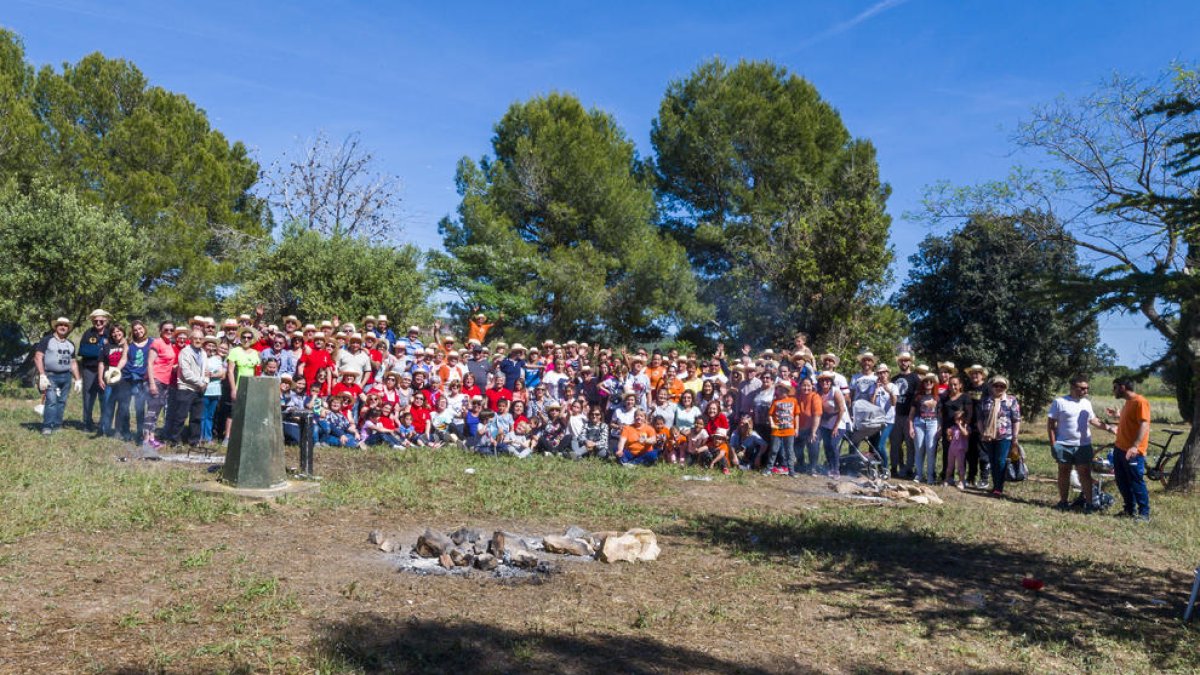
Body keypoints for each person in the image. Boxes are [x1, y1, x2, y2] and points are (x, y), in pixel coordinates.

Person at [1047, 376, 1107, 511]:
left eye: (1087, 388)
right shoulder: (1059, 402)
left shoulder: (1086, 403)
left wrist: (1108, 427)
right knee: (1064, 472)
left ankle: (1090, 504)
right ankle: (1063, 502)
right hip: (1063, 444)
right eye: (1082, 388)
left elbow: (1093, 420)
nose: (1085, 391)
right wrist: (1053, 444)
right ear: (1073, 387)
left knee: (1085, 474)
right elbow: (1051, 425)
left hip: (1083, 445)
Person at [1102, 378, 1152, 521]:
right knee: (1122, 481)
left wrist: (1135, 446)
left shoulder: (1140, 402)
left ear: (1122, 387)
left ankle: (1144, 514)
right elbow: (1130, 421)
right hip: (1119, 449)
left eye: (1115, 388)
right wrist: (1117, 415)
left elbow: (1144, 424)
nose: (1114, 391)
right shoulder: (1128, 403)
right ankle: (1129, 510)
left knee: (1136, 482)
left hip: (1133, 452)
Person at [34, 317, 82, 435]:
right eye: (60, 324)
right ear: (56, 327)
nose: (63, 327)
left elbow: (73, 362)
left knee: (62, 401)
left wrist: (78, 379)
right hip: (50, 375)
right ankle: (47, 426)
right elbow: (38, 356)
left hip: (66, 376)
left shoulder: (70, 344)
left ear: (68, 328)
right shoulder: (47, 340)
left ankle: (57, 425)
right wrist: (42, 375)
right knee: (51, 401)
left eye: (65, 325)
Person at [161, 329, 208, 447]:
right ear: (190, 339)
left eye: (200, 338)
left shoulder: (203, 353)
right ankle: (174, 441)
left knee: (196, 417)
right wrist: (200, 382)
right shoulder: (185, 352)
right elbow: (186, 373)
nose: (198, 340)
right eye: (195, 338)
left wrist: (205, 382)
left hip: (199, 389)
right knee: (180, 416)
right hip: (185, 388)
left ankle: (194, 441)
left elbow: (206, 371)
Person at [976, 376, 1021, 496]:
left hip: (1004, 436)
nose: (999, 388)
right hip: (988, 436)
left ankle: (998, 488)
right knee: (992, 461)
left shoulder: (1011, 400)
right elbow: (980, 418)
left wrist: (1015, 437)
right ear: (991, 387)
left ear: (1006, 388)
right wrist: (982, 433)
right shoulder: (985, 400)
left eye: (1002, 386)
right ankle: (995, 485)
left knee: (1000, 461)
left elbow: (1016, 419)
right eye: (996, 385)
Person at [113, 320, 152, 443]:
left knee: (140, 408)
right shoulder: (129, 342)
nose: (138, 331)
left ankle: (140, 434)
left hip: (142, 378)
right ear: (132, 332)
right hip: (127, 377)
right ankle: (124, 431)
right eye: (135, 330)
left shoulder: (152, 342)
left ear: (144, 328)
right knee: (124, 405)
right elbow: (124, 358)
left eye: (140, 329)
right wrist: (117, 370)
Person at [77, 309, 112, 433]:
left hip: (106, 371)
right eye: (95, 320)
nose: (98, 323)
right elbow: (82, 351)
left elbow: (115, 350)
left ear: (106, 321)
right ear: (92, 321)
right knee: (88, 397)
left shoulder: (111, 333)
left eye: (101, 320)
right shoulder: (88, 333)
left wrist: (96, 351)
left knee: (105, 397)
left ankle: (104, 424)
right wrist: (101, 351)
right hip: (89, 370)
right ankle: (87, 423)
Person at [890, 351, 920, 479]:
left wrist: (912, 418)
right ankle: (895, 467)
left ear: (910, 362)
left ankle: (909, 469)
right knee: (895, 444)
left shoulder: (915, 378)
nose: (904, 362)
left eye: (906, 360)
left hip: (909, 416)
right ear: (898, 362)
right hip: (895, 415)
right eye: (901, 360)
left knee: (910, 444)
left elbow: (917, 398)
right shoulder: (894, 379)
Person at [909, 374, 941, 484]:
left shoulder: (937, 397)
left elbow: (940, 414)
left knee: (931, 449)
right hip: (919, 423)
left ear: (934, 384)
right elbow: (911, 414)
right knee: (919, 449)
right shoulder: (918, 396)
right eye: (926, 381)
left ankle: (930, 476)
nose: (928, 383)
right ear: (922, 383)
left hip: (933, 423)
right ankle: (919, 474)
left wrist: (940, 428)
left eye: (931, 382)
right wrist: (910, 427)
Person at [97, 324, 128, 438]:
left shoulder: (128, 345)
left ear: (123, 332)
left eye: (119, 331)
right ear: (111, 334)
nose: (116, 333)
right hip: (109, 378)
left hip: (124, 379)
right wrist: (100, 378)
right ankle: (105, 429)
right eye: (114, 332)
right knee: (107, 404)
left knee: (122, 406)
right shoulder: (107, 346)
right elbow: (101, 363)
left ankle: (119, 430)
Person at [764, 381, 800, 476]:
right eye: (779, 389)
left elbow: (796, 415)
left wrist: (797, 428)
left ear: (787, 391)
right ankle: (769, 468)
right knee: (774, 449)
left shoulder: (793, 401)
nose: (781, 392)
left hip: (789, 430)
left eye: (783, 390)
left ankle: (791, 470)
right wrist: (772, 423)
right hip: (777, 430)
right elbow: (770, 414)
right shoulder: (775, 402)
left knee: (789, 451)